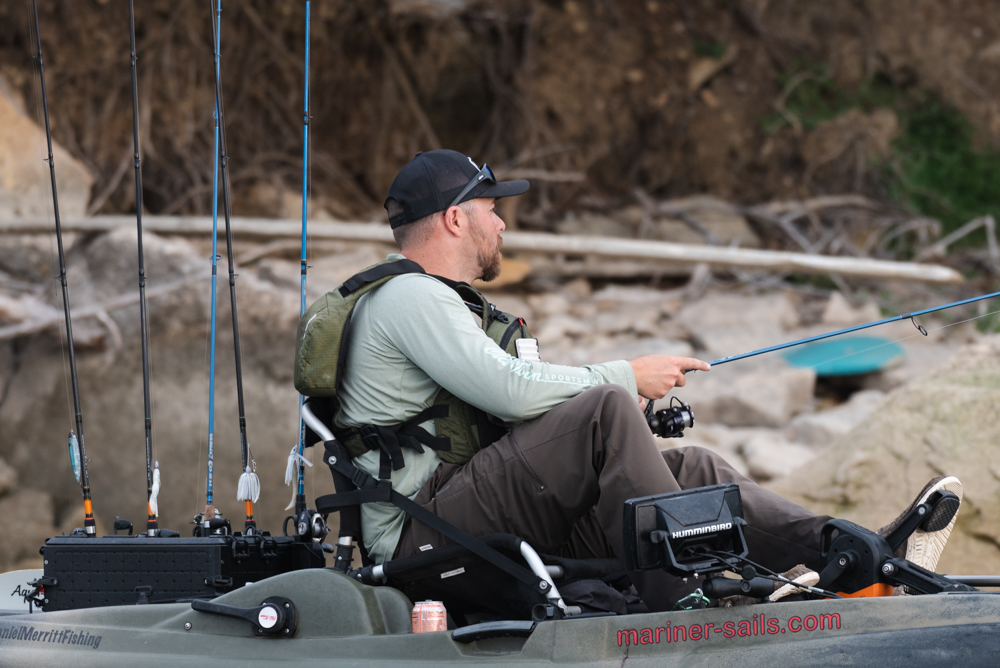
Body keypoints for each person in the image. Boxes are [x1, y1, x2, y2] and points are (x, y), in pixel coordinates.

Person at [334, 149, 962, 611]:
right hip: (422, 539)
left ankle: (856, 554)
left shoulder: (441, 301)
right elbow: (511, 390)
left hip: (466, 511)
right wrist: (623, 377)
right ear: (453, 219)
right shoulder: (411, 298)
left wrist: (614, 404)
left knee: (693, 470)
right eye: (491, 211)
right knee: (607, 409)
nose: (501, 225)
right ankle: (688, 600)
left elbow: (513, 403)